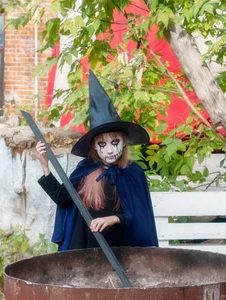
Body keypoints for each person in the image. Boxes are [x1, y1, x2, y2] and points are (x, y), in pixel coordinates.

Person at [36, 70, 158, 250]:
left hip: (121, 251)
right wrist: (45, 166)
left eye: (114, 142)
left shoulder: (133, 172)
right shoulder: (86, 168)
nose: (109, 150)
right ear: (94, 146)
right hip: (85, 249)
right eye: (102, 144)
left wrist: (113, 219)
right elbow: (63, 199)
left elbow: (140, 218)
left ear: (124, 142)